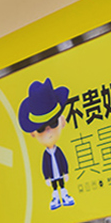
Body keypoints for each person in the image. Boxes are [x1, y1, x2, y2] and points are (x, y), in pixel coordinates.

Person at [18, 78, 76, 210]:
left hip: (60, 174)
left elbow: (63, 161)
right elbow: (45, 166)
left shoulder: (58, 151)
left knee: (61, 184)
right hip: (53, 176)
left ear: (62, 121)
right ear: (33, 133)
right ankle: (56, 198)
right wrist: (46, 177)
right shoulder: (46, 155)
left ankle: (64, 195)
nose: (48, 131)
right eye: (41, 129)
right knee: (55, 186)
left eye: (54, 123)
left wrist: (66, 172)